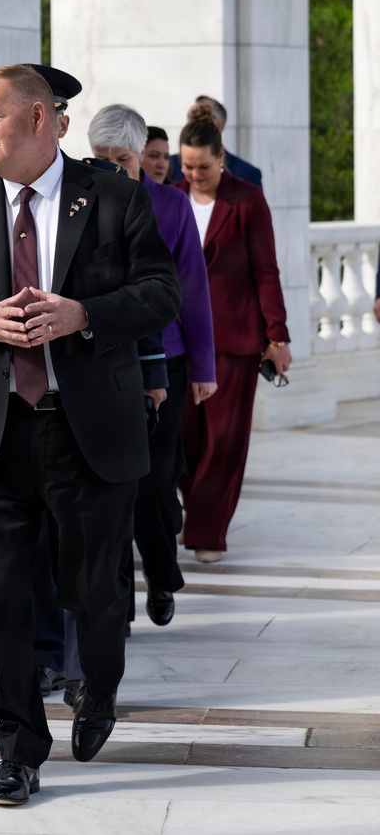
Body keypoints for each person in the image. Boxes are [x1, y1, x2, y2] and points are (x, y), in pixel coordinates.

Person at [0, 64, 180, 807]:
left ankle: (97, 688)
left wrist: (85, 314)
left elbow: (163, 292)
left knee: (93, 590)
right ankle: (17, 748)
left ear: (37, 119)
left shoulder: (115, 197)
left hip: (86, 431)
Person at [88, 104, 216, 625]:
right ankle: (117, 598)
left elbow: (193, 291)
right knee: (111, 484)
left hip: (171, 364)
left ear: (141, 155)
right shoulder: (79, 198)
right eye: (103, 157)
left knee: (156, 481)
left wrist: (205, 365)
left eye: (123, 158)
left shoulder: (171, 206)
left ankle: (161, 574)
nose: (114, 167)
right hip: (103, 361)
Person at [172, 103, 291, 563]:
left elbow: (267, 270)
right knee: (183, 438)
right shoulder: (172, 197)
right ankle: (195, 508)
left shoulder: (247, 199)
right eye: (187, 166)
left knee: (224, 441)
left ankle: (206, 531)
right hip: (180, 338)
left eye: (203, 166)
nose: (194, 174)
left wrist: (277, 336)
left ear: (221, 158)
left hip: (236, 340)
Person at [167, 96, 262, 186]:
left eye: (205, 121)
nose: (196, 175)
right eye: (193, 121)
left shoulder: (247, 174)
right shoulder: (168, 167)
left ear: (220, 125)